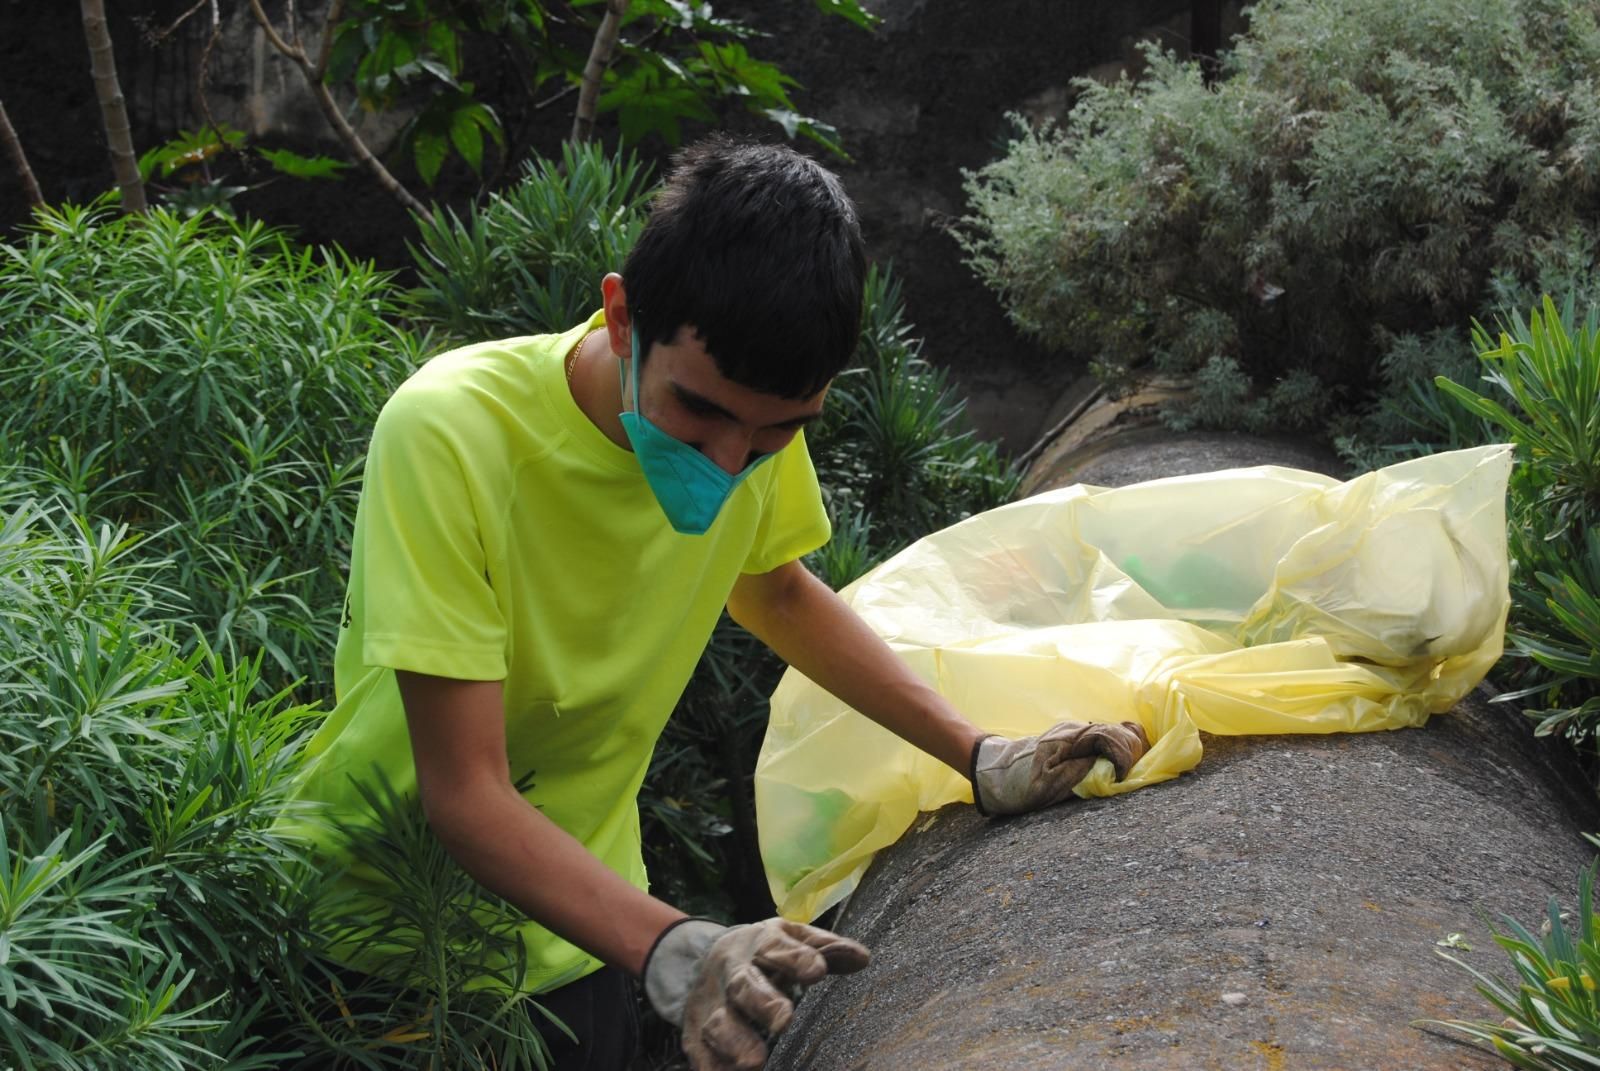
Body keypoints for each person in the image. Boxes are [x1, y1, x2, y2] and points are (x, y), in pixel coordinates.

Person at [286, 136, 1149, 1071]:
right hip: (378, 951)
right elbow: (464, 791)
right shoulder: (452, 433)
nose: (729, 462)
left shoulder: (749, 417)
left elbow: (775, 589)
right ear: (623, 318)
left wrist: (980, 756)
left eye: (777, 432)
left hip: (583, 935)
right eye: (697, 413)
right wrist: (677, 945)